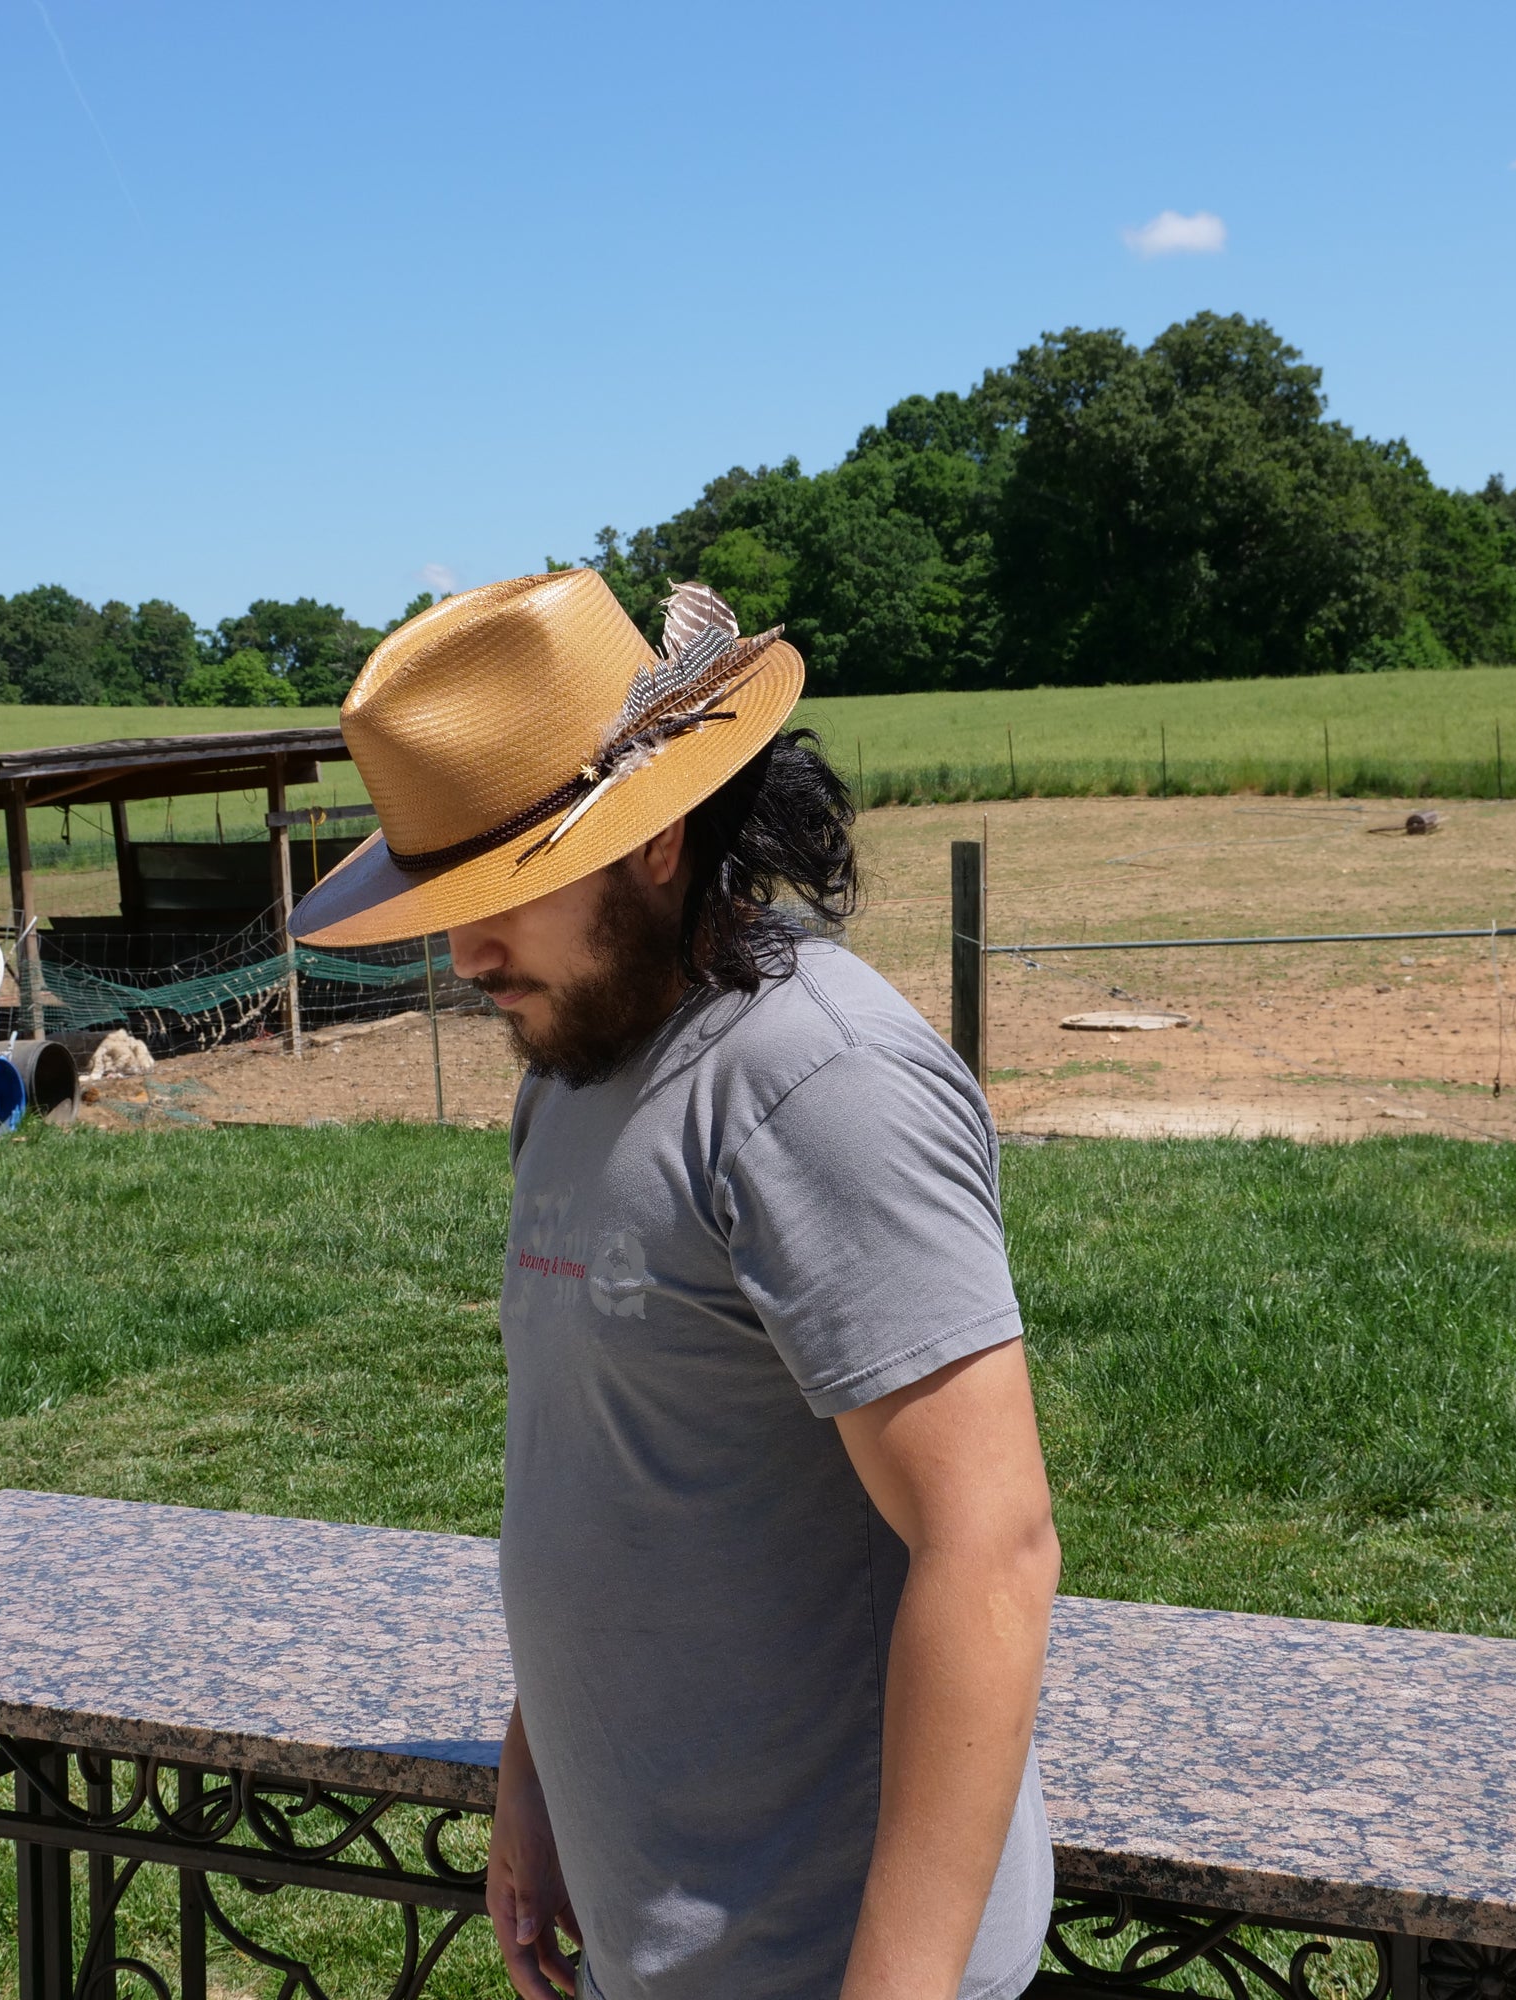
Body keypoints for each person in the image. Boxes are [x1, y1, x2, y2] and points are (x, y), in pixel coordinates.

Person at [292, 569, 1059, 2000]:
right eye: (445, 898)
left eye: (504, 892)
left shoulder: (820, 1084)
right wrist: (535, 1765)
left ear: (652, 845)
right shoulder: (580, 1061)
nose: (462, 954)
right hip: (664, 1937)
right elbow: (613, 1462)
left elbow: (992, 1549)